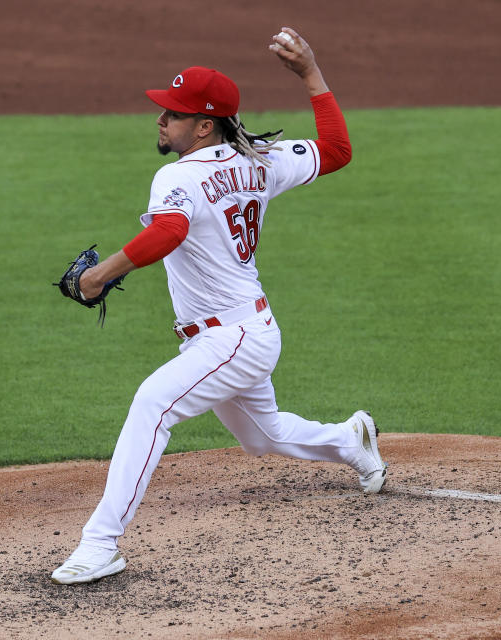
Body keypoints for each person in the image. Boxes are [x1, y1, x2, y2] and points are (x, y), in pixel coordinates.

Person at [50, 26, 387, 586]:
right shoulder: (260, 160)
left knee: (152, 404)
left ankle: (99, 543)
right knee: (264, 437)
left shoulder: (178, 176)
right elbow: (337, 150)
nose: (161, 121)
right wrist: (310, 75)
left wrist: (99, 275)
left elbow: (169, 232)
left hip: (232, 338)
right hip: (244, 331)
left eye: (173, 115)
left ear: (204, 126)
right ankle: (350, 440)